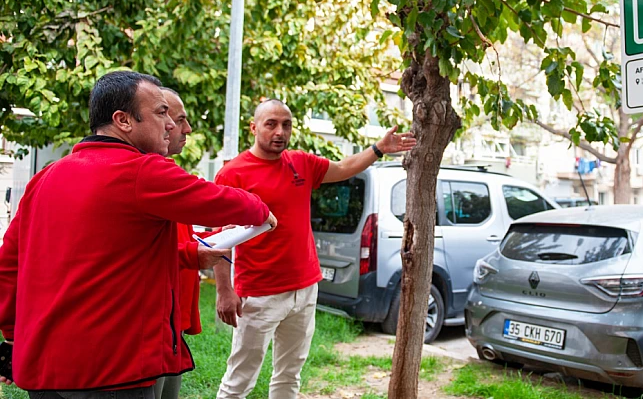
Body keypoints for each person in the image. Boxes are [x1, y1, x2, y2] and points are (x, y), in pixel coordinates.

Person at [0, 71, 277, 397]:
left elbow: (9, 264)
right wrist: (262, 211)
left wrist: (12, 336)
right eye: (161, 113)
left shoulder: (45, 178)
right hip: (112, 370)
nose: (172, 125)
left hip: (44, 369)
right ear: (123, 121)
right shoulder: (141, 169)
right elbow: (223, 201)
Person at [214, 99, 415, 399]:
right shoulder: (233, 174)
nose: (280, 131)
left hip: (305, 289)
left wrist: (378, 149)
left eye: (286, 124)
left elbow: (344, 167)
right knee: (240, 379)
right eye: (271, 124)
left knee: (290, 375)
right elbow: (218, 239)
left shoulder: (301, 163)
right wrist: (223, 290)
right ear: (254, 127)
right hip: (258, 293)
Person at [152, 87, 216, 399]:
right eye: (178, 119)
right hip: (148, 332)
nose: (185, 129)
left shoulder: (169, 173)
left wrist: (201, 244)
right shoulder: (143, 176)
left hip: (171, 326)